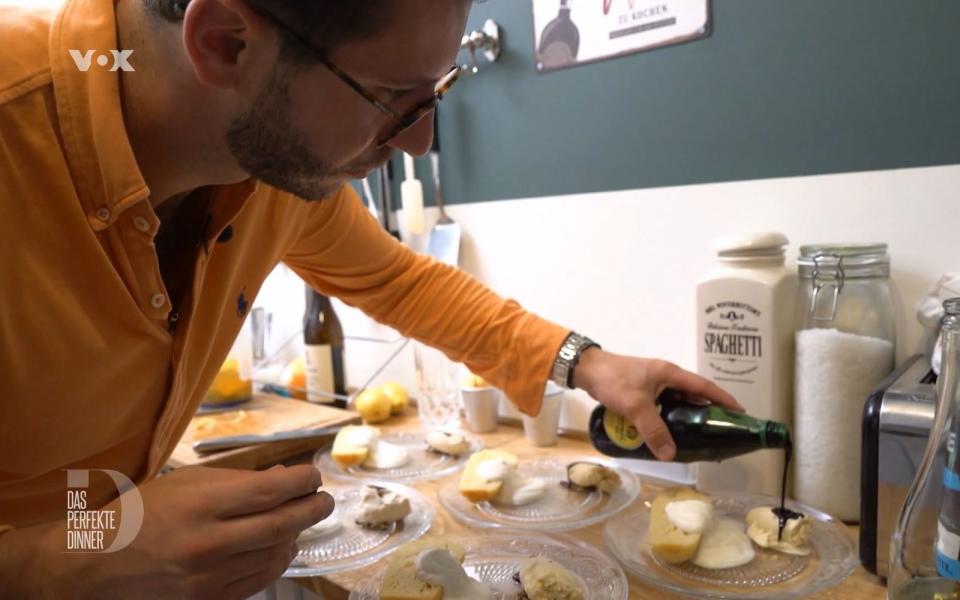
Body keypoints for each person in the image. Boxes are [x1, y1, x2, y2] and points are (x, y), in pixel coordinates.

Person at [0, 0, 742, 597]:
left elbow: (399, 279)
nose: (418, 142)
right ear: (226, 42)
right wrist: (67, 561)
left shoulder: (265, 166)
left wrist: (587, 364)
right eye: (392, 99)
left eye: (436, 94)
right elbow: (77, 545)